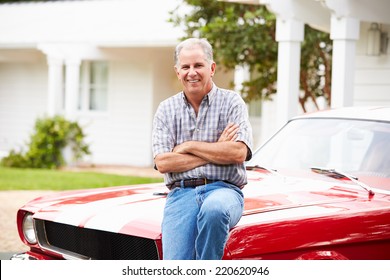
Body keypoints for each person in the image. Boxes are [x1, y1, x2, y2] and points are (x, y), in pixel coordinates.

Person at [152, 38, 253, 260]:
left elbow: (238, 153)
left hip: (224, 190)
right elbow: (163, 163)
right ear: (178, 72)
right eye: (185, 67)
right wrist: (218, 149)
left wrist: (188, 146)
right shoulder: (166, 110)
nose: (192, 72)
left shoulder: (232, 103)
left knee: (214, 210)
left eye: (198, 65)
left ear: (212, 68)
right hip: (181, 193)